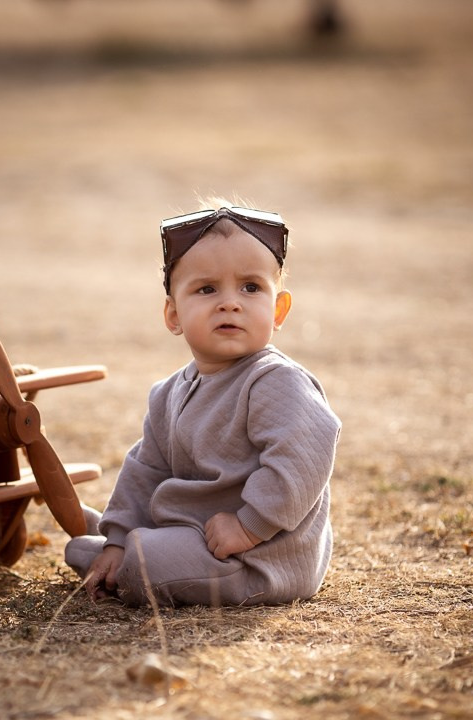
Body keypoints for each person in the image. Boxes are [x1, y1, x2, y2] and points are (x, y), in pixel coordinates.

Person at [66, 200, 341, 607]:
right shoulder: (169, 393)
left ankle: (136, 556)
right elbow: (146, 470)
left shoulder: (275, 380)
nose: (230, 302)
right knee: (91, 547)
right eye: (207, 289)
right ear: (173, 315)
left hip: (257, 557)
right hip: (199, 533)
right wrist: (120, 537)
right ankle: (118, 546)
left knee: (146, 559)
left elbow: (302, 461)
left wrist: (250, 526)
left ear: (278, 309)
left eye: (251, 287)